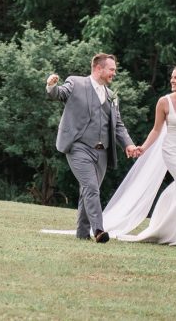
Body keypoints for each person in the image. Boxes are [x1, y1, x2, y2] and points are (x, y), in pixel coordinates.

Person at [101, 64, 176, 248]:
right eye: (172, 77)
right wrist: (142, 148)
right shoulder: (164, 102)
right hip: (172, 151)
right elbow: (156, 130)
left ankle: (164, 228)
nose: (172, 80)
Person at [46, 53, 139, 243]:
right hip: (79, 147)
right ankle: (99, 230)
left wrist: (128, 144)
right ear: (99, 68)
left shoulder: (111, 95)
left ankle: (82, 234)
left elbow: (118, 125)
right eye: (112, 69)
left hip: (102, 152)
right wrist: (51, 85)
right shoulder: (76, 83)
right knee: (91, 188)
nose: (114, 73)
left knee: (88, 191)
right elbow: (59, 94)